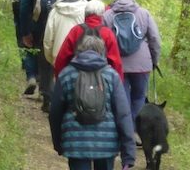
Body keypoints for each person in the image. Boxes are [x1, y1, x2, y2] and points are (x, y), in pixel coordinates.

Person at [49, 34, 136, 170]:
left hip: (76, 142)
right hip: (107, 143)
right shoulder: (111, 75)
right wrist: (129, 152)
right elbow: (123, 114)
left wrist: (58, 143)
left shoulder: (66, 74)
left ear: (78, 51)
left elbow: (55, 112)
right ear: (102, 53)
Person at [102, 0, 161, 128]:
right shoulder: (143, 13)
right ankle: (135, 130)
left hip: (117, 64)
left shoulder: (107, 15)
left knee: (122, 98)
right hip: (142, 64)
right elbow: (155, 39)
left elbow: (102, 40)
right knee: (139, 97)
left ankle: (124, 129)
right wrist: (154, 59)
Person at [20, 0, 69, 111]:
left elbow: (24, 9)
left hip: (39, 25)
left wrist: (25, 32)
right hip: (62, 24)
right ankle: (61, 94)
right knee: (62, 58)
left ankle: (47, 94)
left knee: (44, 58)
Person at [53, 0, 124, 81]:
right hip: (102, 80)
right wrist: (118, 83)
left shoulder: (75, 31)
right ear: (102, 14)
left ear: (85, 13)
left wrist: (60, 79)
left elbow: (62, 58)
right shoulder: (107, 33)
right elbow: (115, 61)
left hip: (77, 79)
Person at [44, 0, 87, 65]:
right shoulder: (87, 9)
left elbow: (48, 39)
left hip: (59, 57)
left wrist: (52, 59)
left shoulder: (55, 11)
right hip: (82, 57)